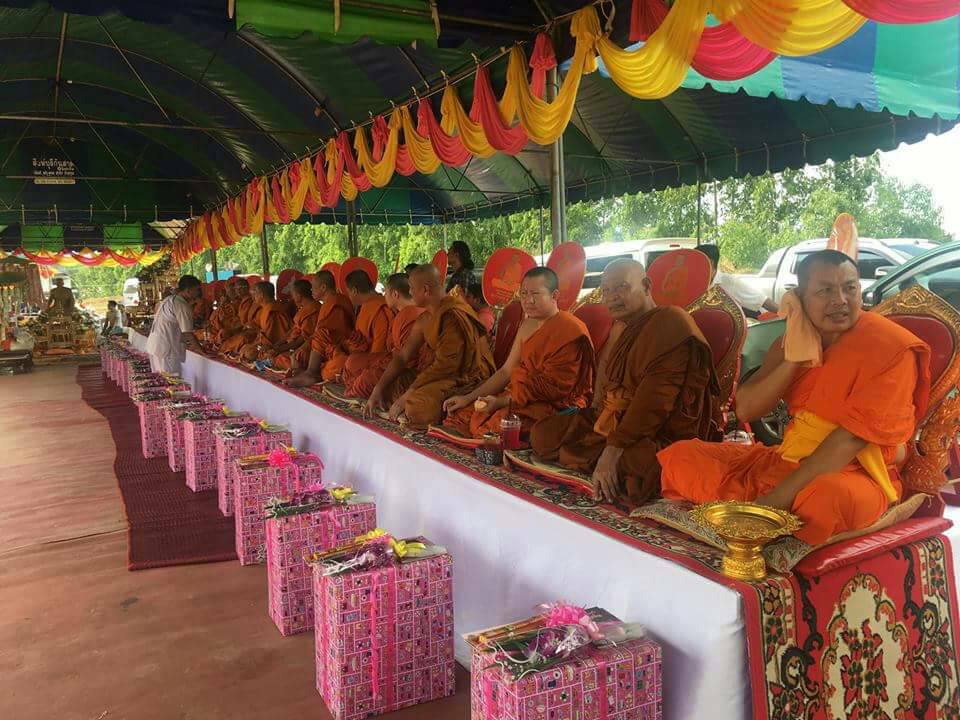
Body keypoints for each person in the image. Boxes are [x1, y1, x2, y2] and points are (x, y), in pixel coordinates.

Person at [659, 250, 931, 545]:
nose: (840, 300)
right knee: (680, 456)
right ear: (799, 297)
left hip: (853, 472)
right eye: (825, 291)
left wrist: (777, 499)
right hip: (785, 460)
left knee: (824, 499)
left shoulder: (890, 347)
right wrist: (795, 357)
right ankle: (760, 512)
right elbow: (747, 409)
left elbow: (851, 439)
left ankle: (758, 512)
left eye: (850, 288)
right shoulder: (792, 341)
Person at [530, 259, 721, 507]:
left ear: (646, 286)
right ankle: (596, 459)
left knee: (637, 470)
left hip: (656, 432)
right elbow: (608, 391)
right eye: (606, 290)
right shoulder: (626, 328)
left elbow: (654, 404)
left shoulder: (672, 323)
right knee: (542, 434)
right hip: (615, 421)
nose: (611, 297)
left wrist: (612, 450)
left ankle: (600, 460)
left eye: (621, 287)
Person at [443, 267, 595, 438]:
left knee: (499, 425)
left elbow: (555, 389)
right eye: (523, 293)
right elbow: (506, 371)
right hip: (520, 394)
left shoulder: (570, 330)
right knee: (463, 415)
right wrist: (468, 397)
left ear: (554, 295)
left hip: (555, 403)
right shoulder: (527, 325)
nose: (528, 300)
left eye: (535, 294)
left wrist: (500, 402)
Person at [366, 264, 494, 428]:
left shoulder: (452, 315)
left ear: (425, 290)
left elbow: (447, 366)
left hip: (465, 378)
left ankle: (428, 411)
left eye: (412, 288)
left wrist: (408, 394)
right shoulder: (425, 318)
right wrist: (378, 388)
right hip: (439, 375)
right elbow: (403, 356)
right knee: (389, 386)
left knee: (417, 405)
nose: (409, 292)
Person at [343, 273, 427, 398]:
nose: (384, 296)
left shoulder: (409, 315)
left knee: (364, 380)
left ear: (395, 294)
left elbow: (406, 360)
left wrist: (377, 371)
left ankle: (359, 389)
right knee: (352, 362)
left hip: (409, 370)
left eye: (386, 293)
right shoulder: (406, 313)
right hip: (392, 359)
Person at [285, 270, 356, 387]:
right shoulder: (329, 302)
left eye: (313, 287)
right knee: (296, 356)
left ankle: (311, 373)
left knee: (305, 352)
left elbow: (324, 335)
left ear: (323, 287)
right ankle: (312, 371)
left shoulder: (334, 303)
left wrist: (301, 349)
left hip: (340, 350)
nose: (311, 290)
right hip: (328, 351)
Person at [323, 270, 393, 381]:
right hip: (359, 354)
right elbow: (359, 338)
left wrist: (357, 356)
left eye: (348, 292)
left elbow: (378, 351)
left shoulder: (380, 309)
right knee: (333, 350)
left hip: (374, 360)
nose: (349, 296)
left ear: (354, 291)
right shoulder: (365, 306)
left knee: (340, 365)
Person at [145, 275, 206, 374]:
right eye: (197, 290)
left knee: (161, 380)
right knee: (171, 381)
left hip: (157, 346)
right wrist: (200, 350)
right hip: (166, 351)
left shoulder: (169, 299)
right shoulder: (181, 305)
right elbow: (187, 333)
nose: (199, 292)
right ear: (188, 291)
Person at [699, 244, 778, 316]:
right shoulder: (694, 284)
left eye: (696, 263)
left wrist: (784, 315)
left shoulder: (729, 282)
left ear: (710, 263)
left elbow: (762, 301)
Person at [268, 279, 322, 372]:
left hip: (306, 349)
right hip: (293, 346)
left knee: (278, 358)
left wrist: (279, 349)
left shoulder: (313, 310)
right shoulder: (304, 309)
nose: (292, 297)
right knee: (271, 355)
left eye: (293, 294)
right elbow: (293, 330)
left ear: (298, 295)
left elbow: (303, 339)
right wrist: (277, 345)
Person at [238, 281, 293, 362]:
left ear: (261, 295)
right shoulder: (265, 308)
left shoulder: (273, 310)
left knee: (249, 353)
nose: (253, 297)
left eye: (255, 293)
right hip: (264, 341)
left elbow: (272, 338)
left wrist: (256, 345)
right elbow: (260, 329)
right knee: (244, 346)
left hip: (277, 345)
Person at [218, 279, 257, 355]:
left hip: (248, 331)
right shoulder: (243, 301)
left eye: (240, 288)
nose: (237, 291)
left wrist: (232, 328)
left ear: (247, 288)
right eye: (236, 289)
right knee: (223, 333)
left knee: (239, 339)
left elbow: (244, 322)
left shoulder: (249, 301)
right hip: (239, 328)